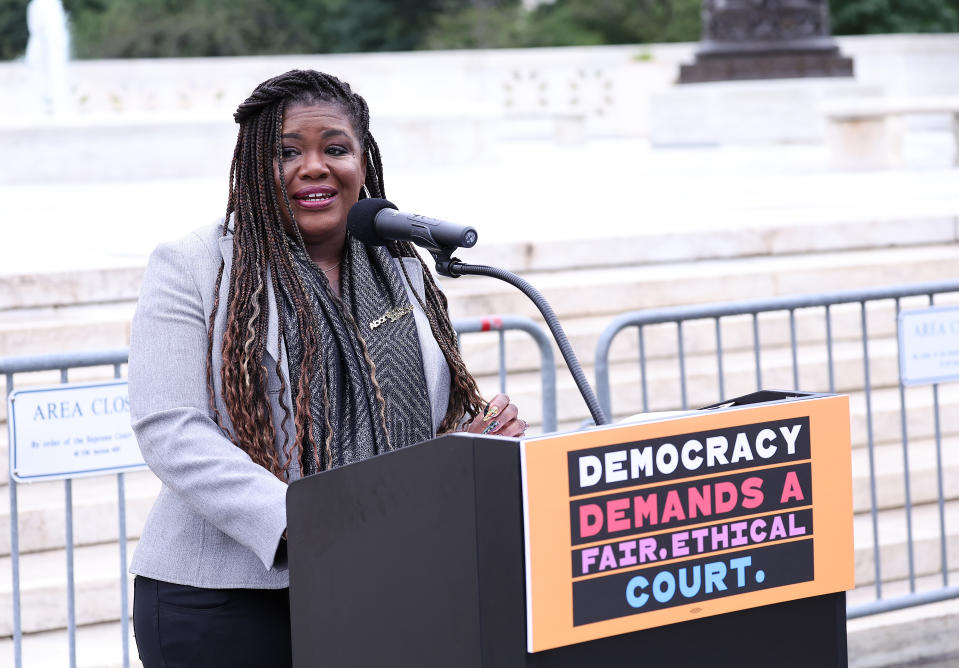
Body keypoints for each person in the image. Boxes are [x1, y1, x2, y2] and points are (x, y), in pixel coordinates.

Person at [127, 69, 526, 667]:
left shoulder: (401, 267)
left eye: (335, 148)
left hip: (373, 583)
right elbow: (170, 427)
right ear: (254, 166)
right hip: (225, 600)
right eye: (288, 152)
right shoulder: (195, 265)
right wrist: (305, 522)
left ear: (362, 162)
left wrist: (466, 444)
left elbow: (424, 420)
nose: (315, 167)